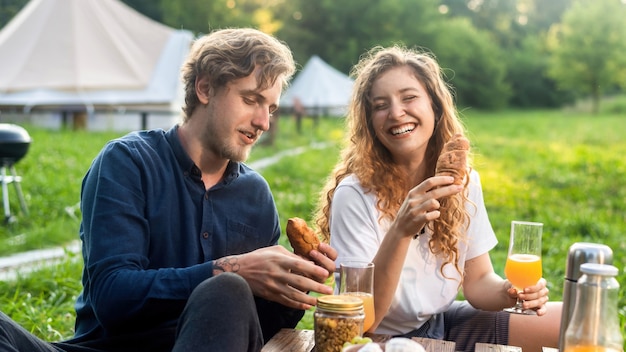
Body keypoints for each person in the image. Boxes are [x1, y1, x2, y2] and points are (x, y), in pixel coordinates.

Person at [0, 28, 336, 352]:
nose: (264, 122)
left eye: (271, 108)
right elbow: (111, 297)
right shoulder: (127, 162)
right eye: (251, 100)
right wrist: (231, 269)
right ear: (205, 88)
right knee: (228, 285)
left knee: (228, 293)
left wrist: (294, 281)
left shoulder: (255, 195)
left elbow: (261, 329)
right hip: (106, 347)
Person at [313, 45, 561, 352]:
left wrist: (511, 293)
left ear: (435, 106)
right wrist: (401, 230)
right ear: (370, 123)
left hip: (443, 322)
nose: (395, 112)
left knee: (567, 320)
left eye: (409, 97)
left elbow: (479, 280)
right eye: (380, 105)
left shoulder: (462, 182)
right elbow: (362, 320)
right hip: (377, 340)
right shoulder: (354, 194)